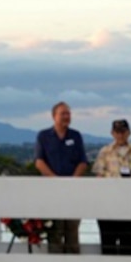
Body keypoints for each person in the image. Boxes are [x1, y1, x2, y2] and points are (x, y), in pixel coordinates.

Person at [33, 101, 88, 254]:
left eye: (68, 114)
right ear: (53, 116)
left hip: (73, 192)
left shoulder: (76, 136)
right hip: (51, 192)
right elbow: (39, 162)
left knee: (72, 231)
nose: (66, 117)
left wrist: (73, 181)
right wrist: (55, 180)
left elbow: (83, 162)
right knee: (55, 231)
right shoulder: (43, 136)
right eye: (63, 113)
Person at [92, 118, 131, 255]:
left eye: (123, 132)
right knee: (108, 245)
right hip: (107, 205)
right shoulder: (104, 152)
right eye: (117, 132)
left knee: (128, 244)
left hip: (130, 204)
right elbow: (99, 176)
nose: (120, 135)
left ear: (128, 132)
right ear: (112, 133)